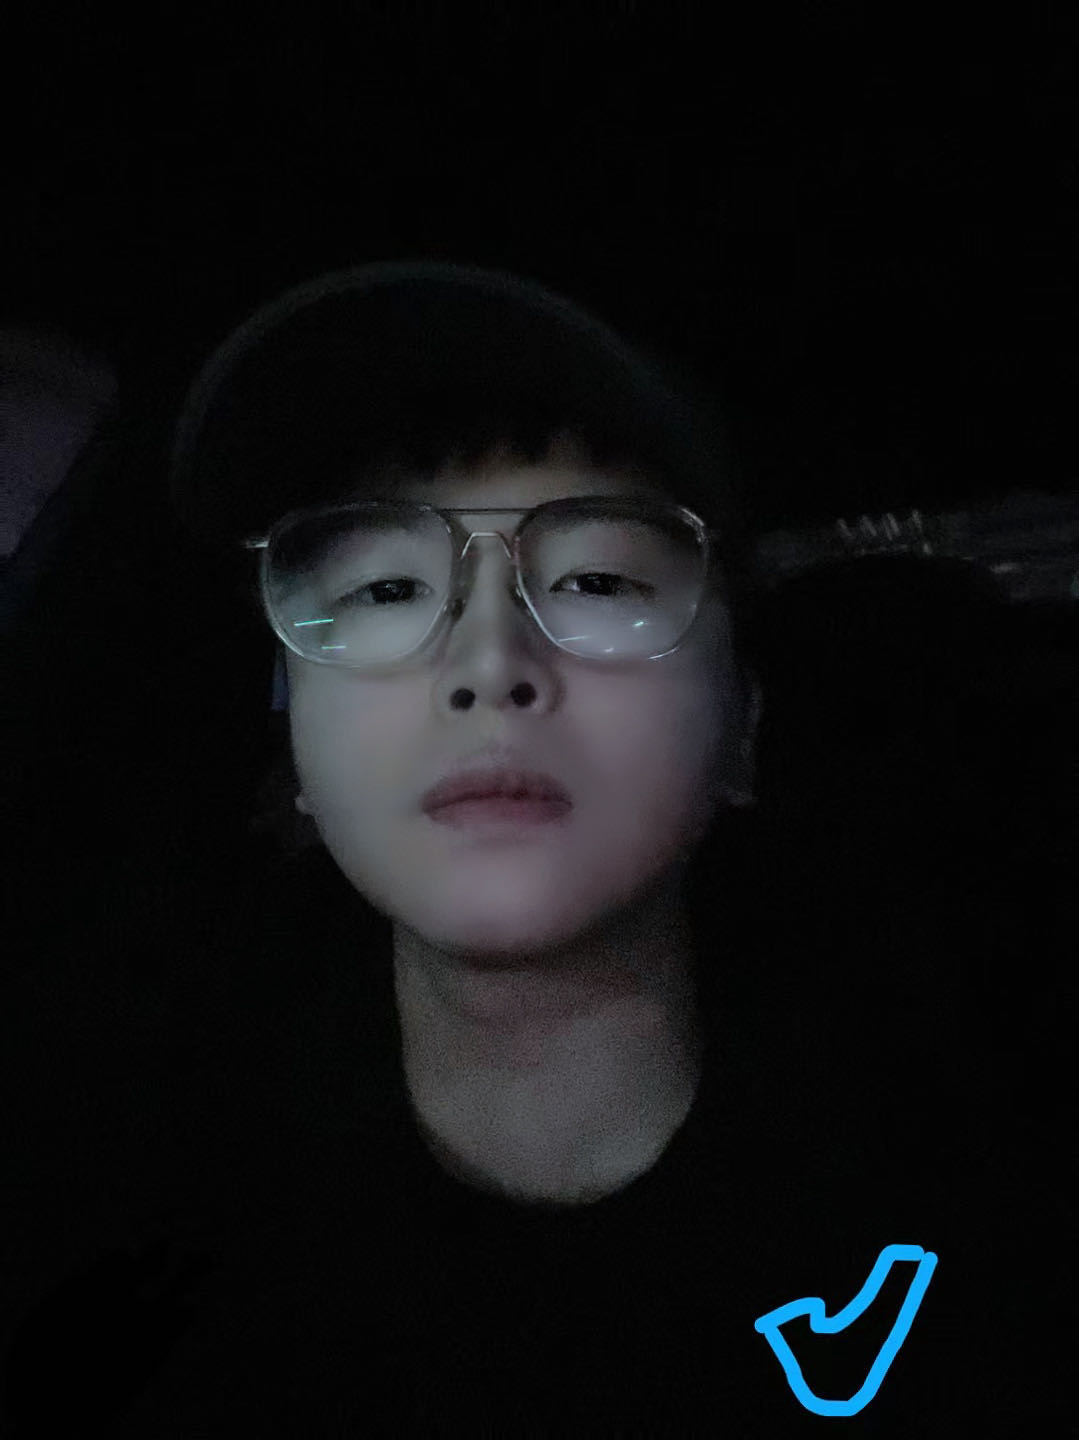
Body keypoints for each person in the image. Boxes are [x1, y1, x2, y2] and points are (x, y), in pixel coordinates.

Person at [2, 262, 1067, 1435]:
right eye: (386, 589)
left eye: (597, 579)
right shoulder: (113, 1199)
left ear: (740, 730)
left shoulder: (986, 1181)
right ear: (295, 744)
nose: (486, 663)